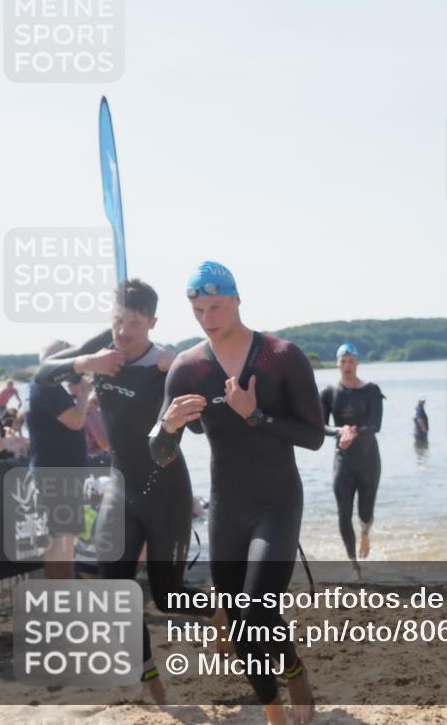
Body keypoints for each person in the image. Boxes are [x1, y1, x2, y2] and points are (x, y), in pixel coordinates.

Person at [34, 279, 227, 702]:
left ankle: (218, 612)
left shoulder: (168, 365)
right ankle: (148, 676)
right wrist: (89, 362)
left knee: (168, 596)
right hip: (122, 488)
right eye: (119, 320)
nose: (123, 331)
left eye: (134, 323)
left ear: (152, 323)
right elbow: (45, 375)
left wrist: (181, 389)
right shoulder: (105, 349)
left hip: (166, 490)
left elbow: (197, 425)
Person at [150, 261, 324, 724]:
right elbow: (160, 453)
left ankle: (295, 679)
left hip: (277, 502)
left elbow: (313, 436)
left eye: (216, 305)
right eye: (197, 308)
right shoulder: (188, 368)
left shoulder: (280, 356)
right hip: (227, 510)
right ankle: (276, 708)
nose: (207, 316)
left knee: (254, 612)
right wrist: (166, 427)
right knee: (242, 622)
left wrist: (255, 416)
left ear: (237, 300)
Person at [26, 341, 91, 580]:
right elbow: (75, 421)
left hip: (59, 475)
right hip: (58, 476)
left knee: (64, 543)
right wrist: (84, 395)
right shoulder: (47, 386)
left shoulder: (45, 386)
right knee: (61, 544)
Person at [321, 342, 384, 573]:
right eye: (343, 361)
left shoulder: (371, 390)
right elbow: (320, 425)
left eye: (351, 361)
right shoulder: (330, 392)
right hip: (343, 460)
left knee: (365, 511)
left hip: (368, 461)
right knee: (343, 511)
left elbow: (375, 425)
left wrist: (353, 431)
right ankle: (353, 561)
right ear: (338, 363)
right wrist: (339, 431)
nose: (347, 366)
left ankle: (365, 534)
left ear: (357, 362)